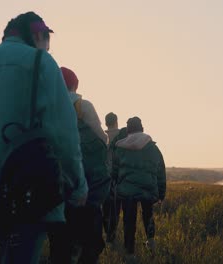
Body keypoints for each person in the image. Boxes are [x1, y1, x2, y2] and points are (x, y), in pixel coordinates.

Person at [0, 12, 87, 264]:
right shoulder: (41, 61)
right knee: (22, 252)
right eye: (46, 42)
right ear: (37, 36)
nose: (47, 49)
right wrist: (77, 184)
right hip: (30, 184)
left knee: (11, 249)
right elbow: (63, 132)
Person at [49, 67, 110, 264]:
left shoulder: (46, 104)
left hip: (56, 181)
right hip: (86, 180)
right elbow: (101, 139)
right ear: (74, 84)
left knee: (60, 239)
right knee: (89, 235)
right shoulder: (82, 105)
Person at [112, 117, 166, 260]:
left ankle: (130, 254)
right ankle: (151, 242)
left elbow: (115, 171)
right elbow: (161, 171)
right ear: (142, 128)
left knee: (129, 221)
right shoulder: (153, 147)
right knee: (148, 215)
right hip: (148, 188)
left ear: (128, 130)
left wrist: (116, 186)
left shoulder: (120, 148)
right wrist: (161, 193)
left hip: (127, 191)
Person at [102, 115, 127, 243]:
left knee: (105, 207)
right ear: (116, 122)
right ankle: (111, 237)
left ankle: (107, 232)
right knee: (116, 208)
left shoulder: (101, 136)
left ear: (106, 123)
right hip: (118, 177)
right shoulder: (124, 136)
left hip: (104, 177)